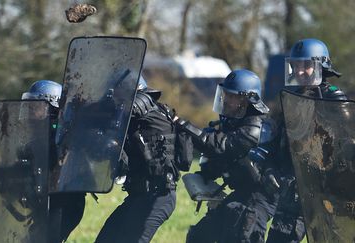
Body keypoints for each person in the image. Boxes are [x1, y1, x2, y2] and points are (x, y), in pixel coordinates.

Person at [177, 69, 281, 243]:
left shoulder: (257, 127)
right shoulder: (233, 123)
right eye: (226, 95)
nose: (227, 100)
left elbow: (224, 147)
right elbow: (224, 160)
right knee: (199, 236)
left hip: (260, 197)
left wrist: (185, 127)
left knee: (242, 234)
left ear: (249, 100)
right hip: (242, 193)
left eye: (234, 97)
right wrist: (206, 175)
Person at [95, 76, 193, 243]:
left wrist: (89, 110)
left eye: (117, 93)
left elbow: (129, 109)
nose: (114, 98)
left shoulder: (145, 104)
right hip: (138, 197)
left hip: (158, 197)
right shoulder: (133, 116)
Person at [267, 38, 347, 243]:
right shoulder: (289, 98)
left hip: (325, 191)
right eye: (296, 65)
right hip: (293, 188)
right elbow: (276, 140)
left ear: (321, 65)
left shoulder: (334, 98)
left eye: (307, 65)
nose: (300, 71)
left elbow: (344, 144)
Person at [22, 80, 86, 243]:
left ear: (51, 109)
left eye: (34, 107)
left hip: (64, 205)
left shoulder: (64, 140)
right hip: (45, 204)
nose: (29, 112)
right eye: (28, 107)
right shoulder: (38, 140)